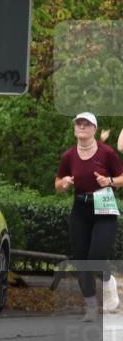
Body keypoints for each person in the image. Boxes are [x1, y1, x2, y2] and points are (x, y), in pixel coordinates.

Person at [55, 112, 123, 321]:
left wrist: (109, 181)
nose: (82, 127)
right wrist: (64, 183)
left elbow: (122, 178)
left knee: (96, 255)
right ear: (75, 128)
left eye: (87, 124)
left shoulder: (107, 153)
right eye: (79, 124)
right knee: (82, 260)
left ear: (94, 129)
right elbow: (57, 184)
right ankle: (91, 307)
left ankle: (108, 280)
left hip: (104, 206)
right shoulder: (69, 156)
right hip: (81, 209)